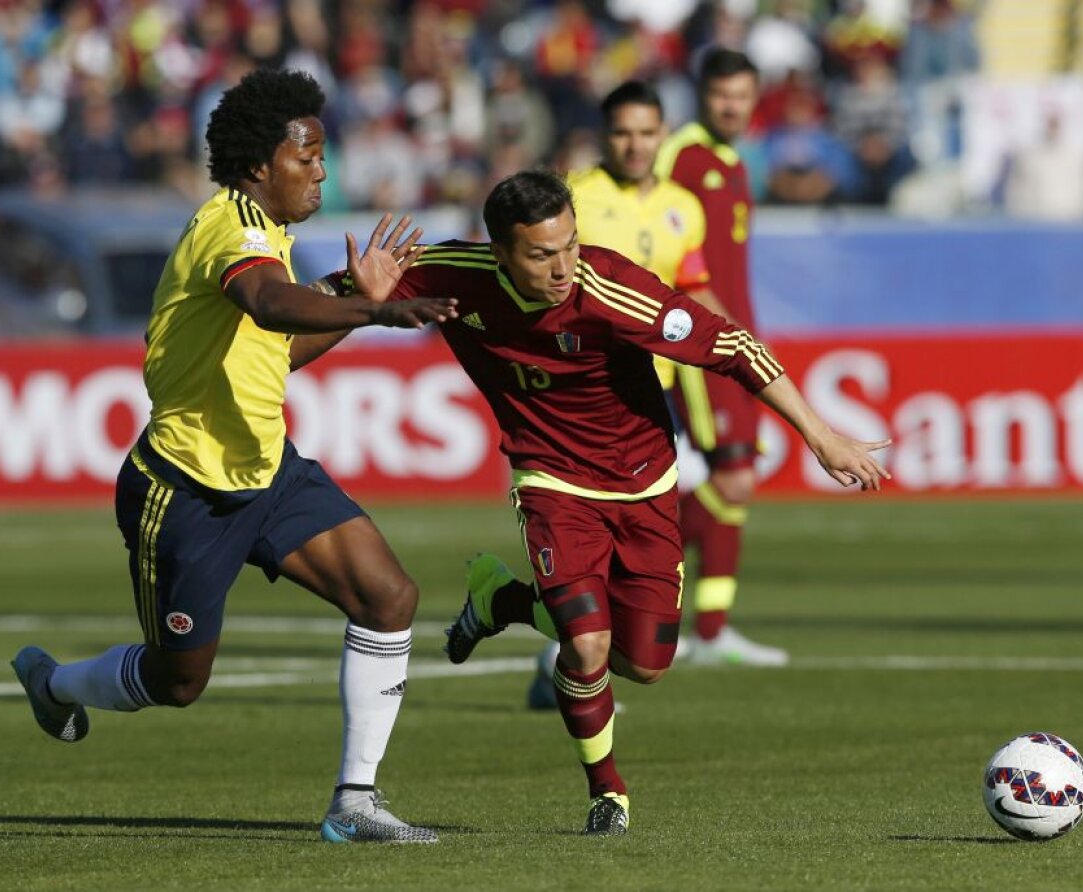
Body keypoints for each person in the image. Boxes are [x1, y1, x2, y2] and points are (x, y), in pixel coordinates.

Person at [8, 68, 456, 845]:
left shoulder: (269, 234)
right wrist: (373, 308)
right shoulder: (231, 228)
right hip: (186, 488)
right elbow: (268, 303)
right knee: (179, 680)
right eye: (306, 157)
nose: (321, 172)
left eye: (323, 157)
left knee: (388, 597)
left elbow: (279, 348)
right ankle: (54, 683)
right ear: (258, 165)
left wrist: (347, 293)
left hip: (267, 469)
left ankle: (354, 803)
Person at [381, 169, 890, 835]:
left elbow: (732, 346)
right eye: (542, 254)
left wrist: (821, 436)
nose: (563, 266)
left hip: (644, 482)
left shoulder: (613, 290)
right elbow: (329, 297)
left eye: (570, 245)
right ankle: (608, 793)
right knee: (586, 644)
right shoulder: (450, 272)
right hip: (552, 480)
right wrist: (356, 297)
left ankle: (501, 600)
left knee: (645, 664)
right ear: (500, 252)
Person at [517, 79, 728, 710]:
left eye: (645, 133)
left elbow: (692, 288)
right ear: (604, 136)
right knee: (608, 526)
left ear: (663, 135)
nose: (635, 145)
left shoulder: (683, 207)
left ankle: (570, 648)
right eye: (622, 133)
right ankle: (575, 650)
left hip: (655, 390)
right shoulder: (576, 196)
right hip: (586, 390)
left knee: (677, 501)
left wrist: (740, 347)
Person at [654, 48, 789, 666]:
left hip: (736, 341)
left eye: (741, 95)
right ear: (702, 95)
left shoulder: (734, 162)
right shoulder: (680, 156)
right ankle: (635, 576)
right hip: (699, 346)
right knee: (731, 477)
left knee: (735, 482)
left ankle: (709, 629)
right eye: (720, 95)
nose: (731, 106)